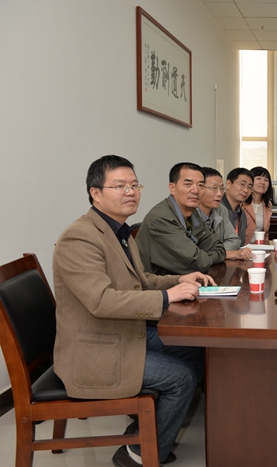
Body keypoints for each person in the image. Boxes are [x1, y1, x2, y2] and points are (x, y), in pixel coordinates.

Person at [52, 155, 215, 467]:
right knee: (181, 378)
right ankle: (139, 454)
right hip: (95, 350)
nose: (130, 192)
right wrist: (167, 297)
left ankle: (146, 429)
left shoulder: (119, 231)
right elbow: (102, 301)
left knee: (198, 351)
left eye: (134, 185)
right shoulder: (80, 237)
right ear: (95, 193)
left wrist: (179, 280)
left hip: (121, 333)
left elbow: (143, 281)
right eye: (119, 186)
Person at [136, 162, 226, 275]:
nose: (196, 190)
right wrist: (207, 259)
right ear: (172, 188)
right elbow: (197, 263)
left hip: (183, 280)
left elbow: (219, 248)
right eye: (188, 184)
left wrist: (206, 259)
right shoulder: (162, 219)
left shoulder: (193, 212)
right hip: (158, 284)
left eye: (201, 185)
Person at [198, 167, 253, 260]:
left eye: (221, 189)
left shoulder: (221, 210)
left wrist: (214, 254)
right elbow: (193, 253)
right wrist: (228, 254)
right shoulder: (189, 212)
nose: (219, 194)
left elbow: (234, 240)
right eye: (214, 188)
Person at [242, 166, 274, 245]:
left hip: (260, 247)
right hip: (243, 247)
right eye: (258, 178)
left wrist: (266, 248)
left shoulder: (268, 205)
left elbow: (266, 233)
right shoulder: (241, 203)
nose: (262, 182)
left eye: (266, 180)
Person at [221, 167, 254, 240]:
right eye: (242, 184)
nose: (246, 190)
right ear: (228, 184)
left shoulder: (242, 214)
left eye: (249, 187)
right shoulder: (216, 209)